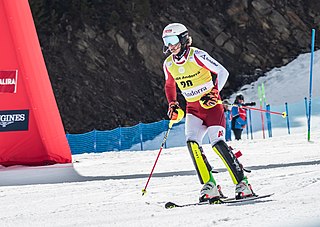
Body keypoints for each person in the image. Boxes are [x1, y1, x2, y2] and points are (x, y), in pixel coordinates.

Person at [162, 23, 254, 202]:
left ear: (182, 38)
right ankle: (210, 185)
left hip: (211, 107)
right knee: (192, 144)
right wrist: (172, 103)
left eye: (173, 40)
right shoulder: (168, 64)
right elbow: (170, 85)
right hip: (193, 109)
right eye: (166, 41)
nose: (170, 46)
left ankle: (243, 183)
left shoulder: (197, 55)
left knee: (217, 143)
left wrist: (214, 92)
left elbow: (222, 72)